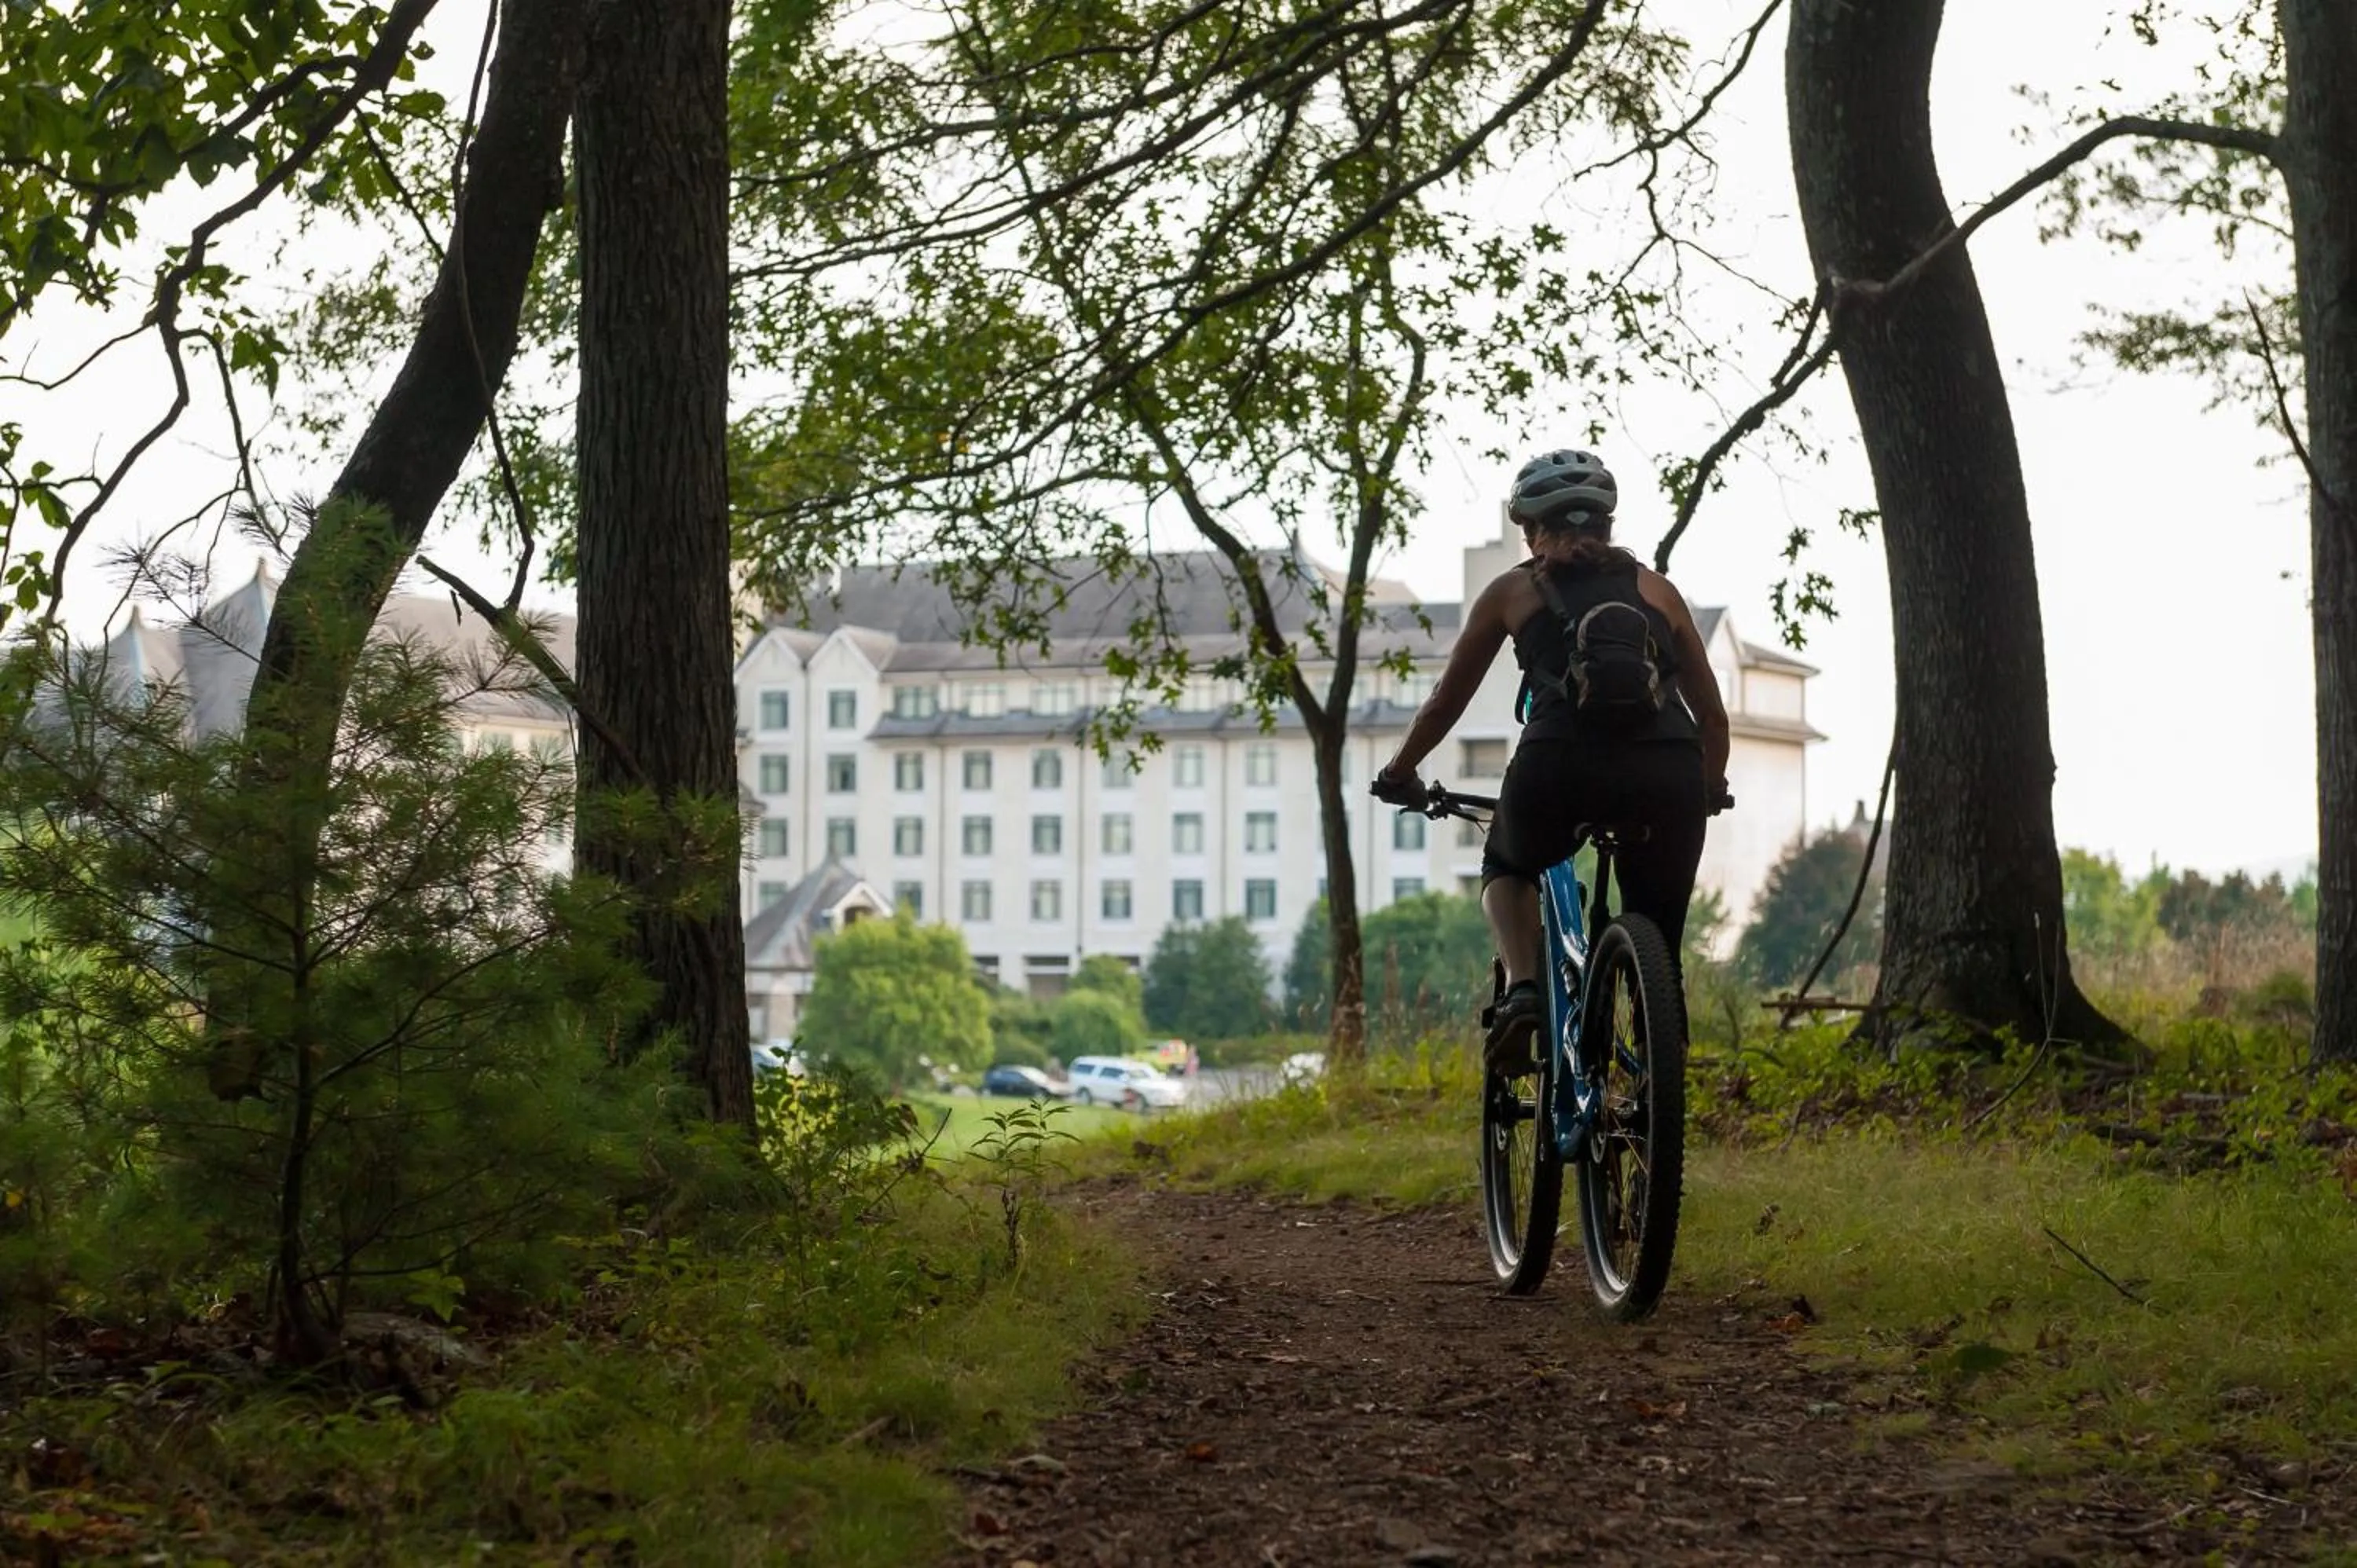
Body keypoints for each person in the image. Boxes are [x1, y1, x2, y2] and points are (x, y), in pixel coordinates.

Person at [1371, 449, 1730, 1073]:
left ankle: (1525, 990)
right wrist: (1707, 786)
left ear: (1532, 530)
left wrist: (1400, 772)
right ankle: (1659, 1060)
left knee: (1506, 863)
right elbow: (1714, 718)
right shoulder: (1659, 592)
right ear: (1607, 527)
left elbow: (1443, 704)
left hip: (1559, 765)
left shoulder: (1512, 591)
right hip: (1668, 769)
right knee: (1658, 937)